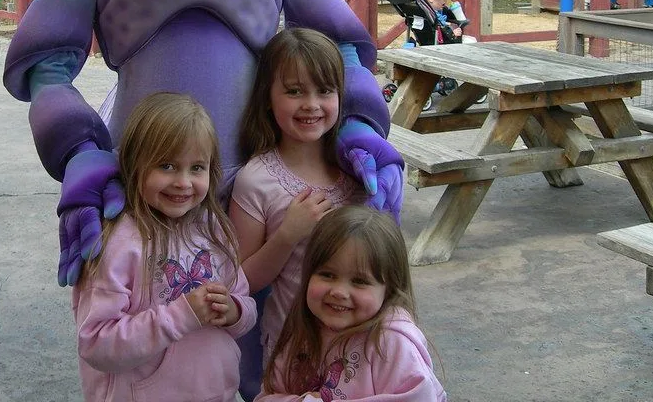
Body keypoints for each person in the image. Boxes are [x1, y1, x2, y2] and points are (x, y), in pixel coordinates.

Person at [232, 28, 391, 398]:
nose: (311, 104)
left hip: (363, 344)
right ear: (267, 98)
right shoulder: (256, 180)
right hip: (295, 350)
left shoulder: (357, 170)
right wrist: (288, 235)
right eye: (294, 91)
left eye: (324, 90)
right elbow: (243, 282)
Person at [73, 92, 256, 402]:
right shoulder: (119, 244)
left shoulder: (215, 230)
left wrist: (234, 311)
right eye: (167, 166)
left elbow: (245, 302)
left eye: (197, 168)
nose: (184, 182)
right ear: (134, 164)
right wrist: (182, 316)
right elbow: (96, 343)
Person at [259, 205, 446, 402]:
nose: (338, 292)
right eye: (327, 275)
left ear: (389, 288)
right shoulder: (303, 329)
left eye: (359, 281)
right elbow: (267, 396)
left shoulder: (391, 341)